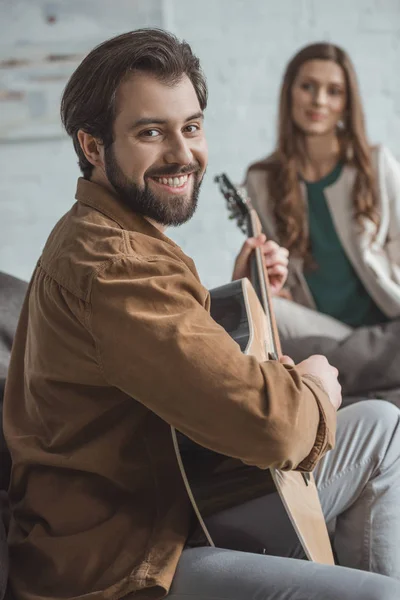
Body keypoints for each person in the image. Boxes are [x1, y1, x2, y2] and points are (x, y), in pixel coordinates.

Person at [2, 29, 400, 600]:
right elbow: (271, 427)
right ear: (92, 146)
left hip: (178, 499)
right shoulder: (117, 265)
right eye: (150, 132)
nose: (183, 153)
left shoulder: (111, 234)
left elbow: (164, 356)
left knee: (383, 426)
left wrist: (241, 295)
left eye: (191, 126)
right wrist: (313, 388)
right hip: (131, 557)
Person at [244, 42, 400, 406]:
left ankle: (341, 388)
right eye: (308, 87)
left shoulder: (375, 163)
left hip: (388, 320)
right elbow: (273, 281)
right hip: (324, 328)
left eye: (334, 91)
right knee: (260, 309)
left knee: (304, 362)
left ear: (347, 102)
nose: (319, 101)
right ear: (290, 92)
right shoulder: (262, 179)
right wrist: (270, 282)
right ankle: (379, 387)